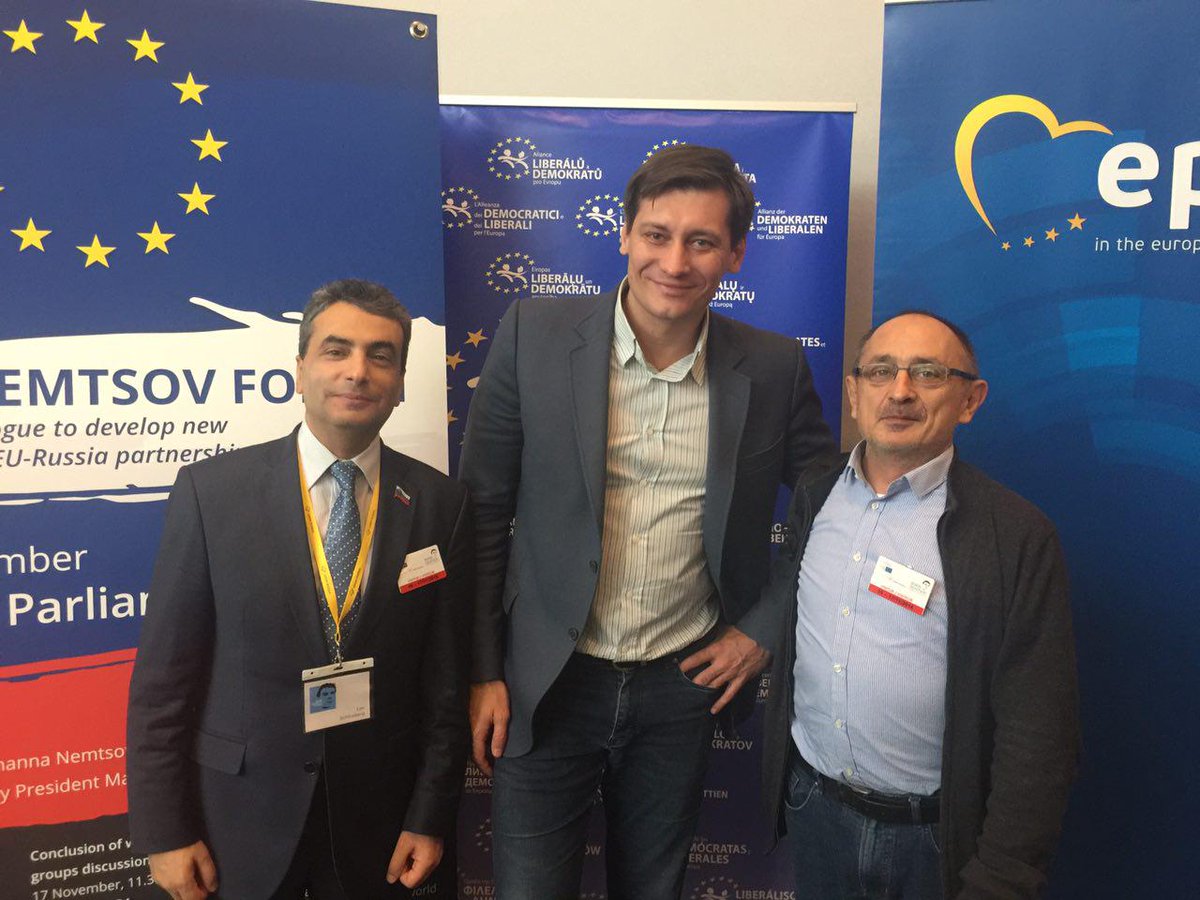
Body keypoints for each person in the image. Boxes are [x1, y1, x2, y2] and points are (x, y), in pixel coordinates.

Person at [460, 145, 836, 899]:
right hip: (545, 682)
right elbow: (482, 513)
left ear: (735, 254)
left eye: (702, 241)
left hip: (681, 687)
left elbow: (832, 507)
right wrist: (483, 670)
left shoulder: (773, 367)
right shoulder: (533, 335)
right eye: (657, 235)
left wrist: (765, 628)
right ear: (625, 233)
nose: (675, 261)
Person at [126, 280, 474, 899]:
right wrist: (165, 832)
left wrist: (429, 815)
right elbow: (163, 683)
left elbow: (443, 685)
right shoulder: (212, 493)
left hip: (379, 826)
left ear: (399, 383)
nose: (358, 372)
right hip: (237, 823)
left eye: (381, 356)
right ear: (299, 369)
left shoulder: (439, 502)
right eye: (336, 351)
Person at [760, 311, 1080, 899]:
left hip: (935, 840)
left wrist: (1001, 877)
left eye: (928, 373)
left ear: (970, 400)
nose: (900, 391)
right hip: (815, 809)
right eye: (881, 371)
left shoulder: (1016, 536)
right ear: (854, 393)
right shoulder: (815, 493)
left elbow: (1038, 730)